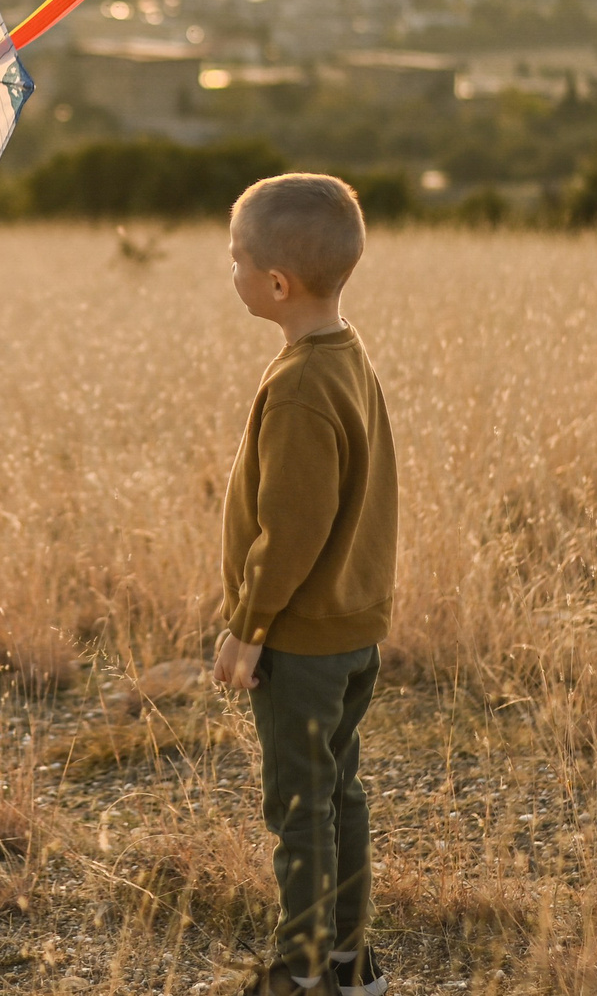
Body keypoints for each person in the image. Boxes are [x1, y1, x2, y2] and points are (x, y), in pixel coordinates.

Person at [212, 175, 398, 996]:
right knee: (336, 793)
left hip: (301, 638)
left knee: (298, 806)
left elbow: (291, 529)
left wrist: (248, 625)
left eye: (237, 259)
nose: (232, 271)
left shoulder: (297, 387)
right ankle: (350, 961)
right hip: (350, 630)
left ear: (277, 283)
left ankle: (306, 969)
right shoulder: (345, 353)